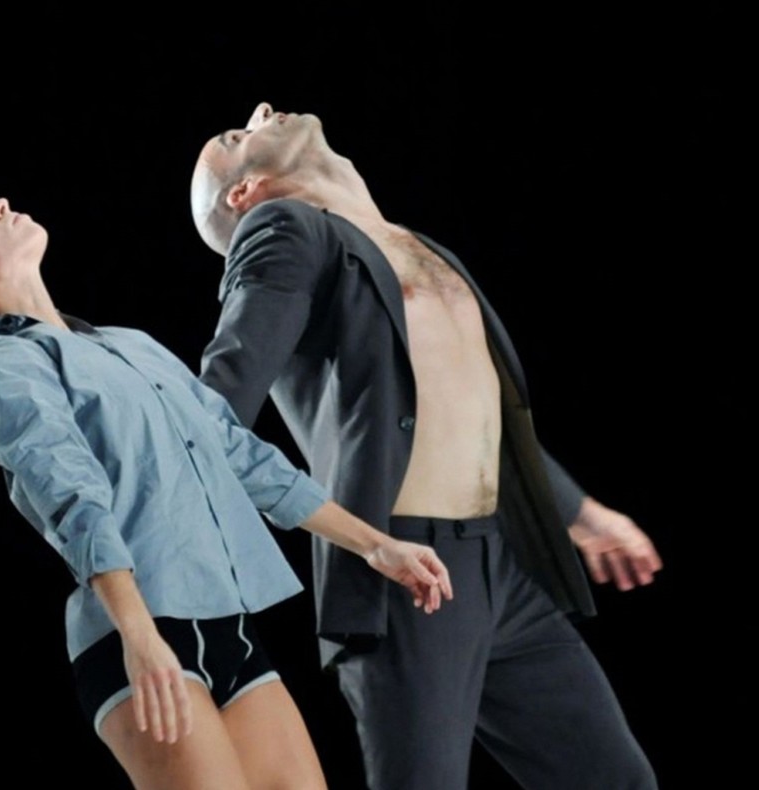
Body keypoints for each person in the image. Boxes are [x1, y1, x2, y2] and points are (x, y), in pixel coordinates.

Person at [0, 196, 454, 790]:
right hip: (137, 629)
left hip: (228, 626)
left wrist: (376, 545)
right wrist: (139, 637)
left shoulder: (130, 345)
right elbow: (70, 496)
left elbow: (241, 454)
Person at [190, 103, 663, 789]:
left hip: (501, 566)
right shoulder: (284, 228)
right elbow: (214, 411)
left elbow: (481, 413)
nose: (261, 110)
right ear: (245, 192)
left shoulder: (415, 245)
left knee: (616, 780)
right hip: (407, 577)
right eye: (238, 135)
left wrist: (582, 513)